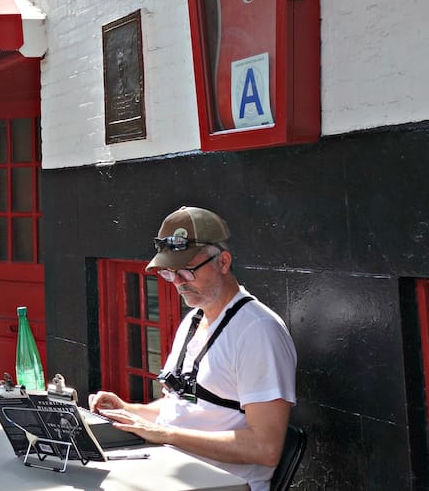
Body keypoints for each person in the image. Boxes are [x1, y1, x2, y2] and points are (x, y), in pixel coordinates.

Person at [89, 206, 297, 491]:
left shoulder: (258, 330)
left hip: (225, 485)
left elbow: (265, 448)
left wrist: (164, 434)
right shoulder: (194, 320)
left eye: (186, 271)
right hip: (171, 473)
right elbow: (181, 407)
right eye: (169, 273)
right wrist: (128, 411)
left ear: (223, 262)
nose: (177, 283)